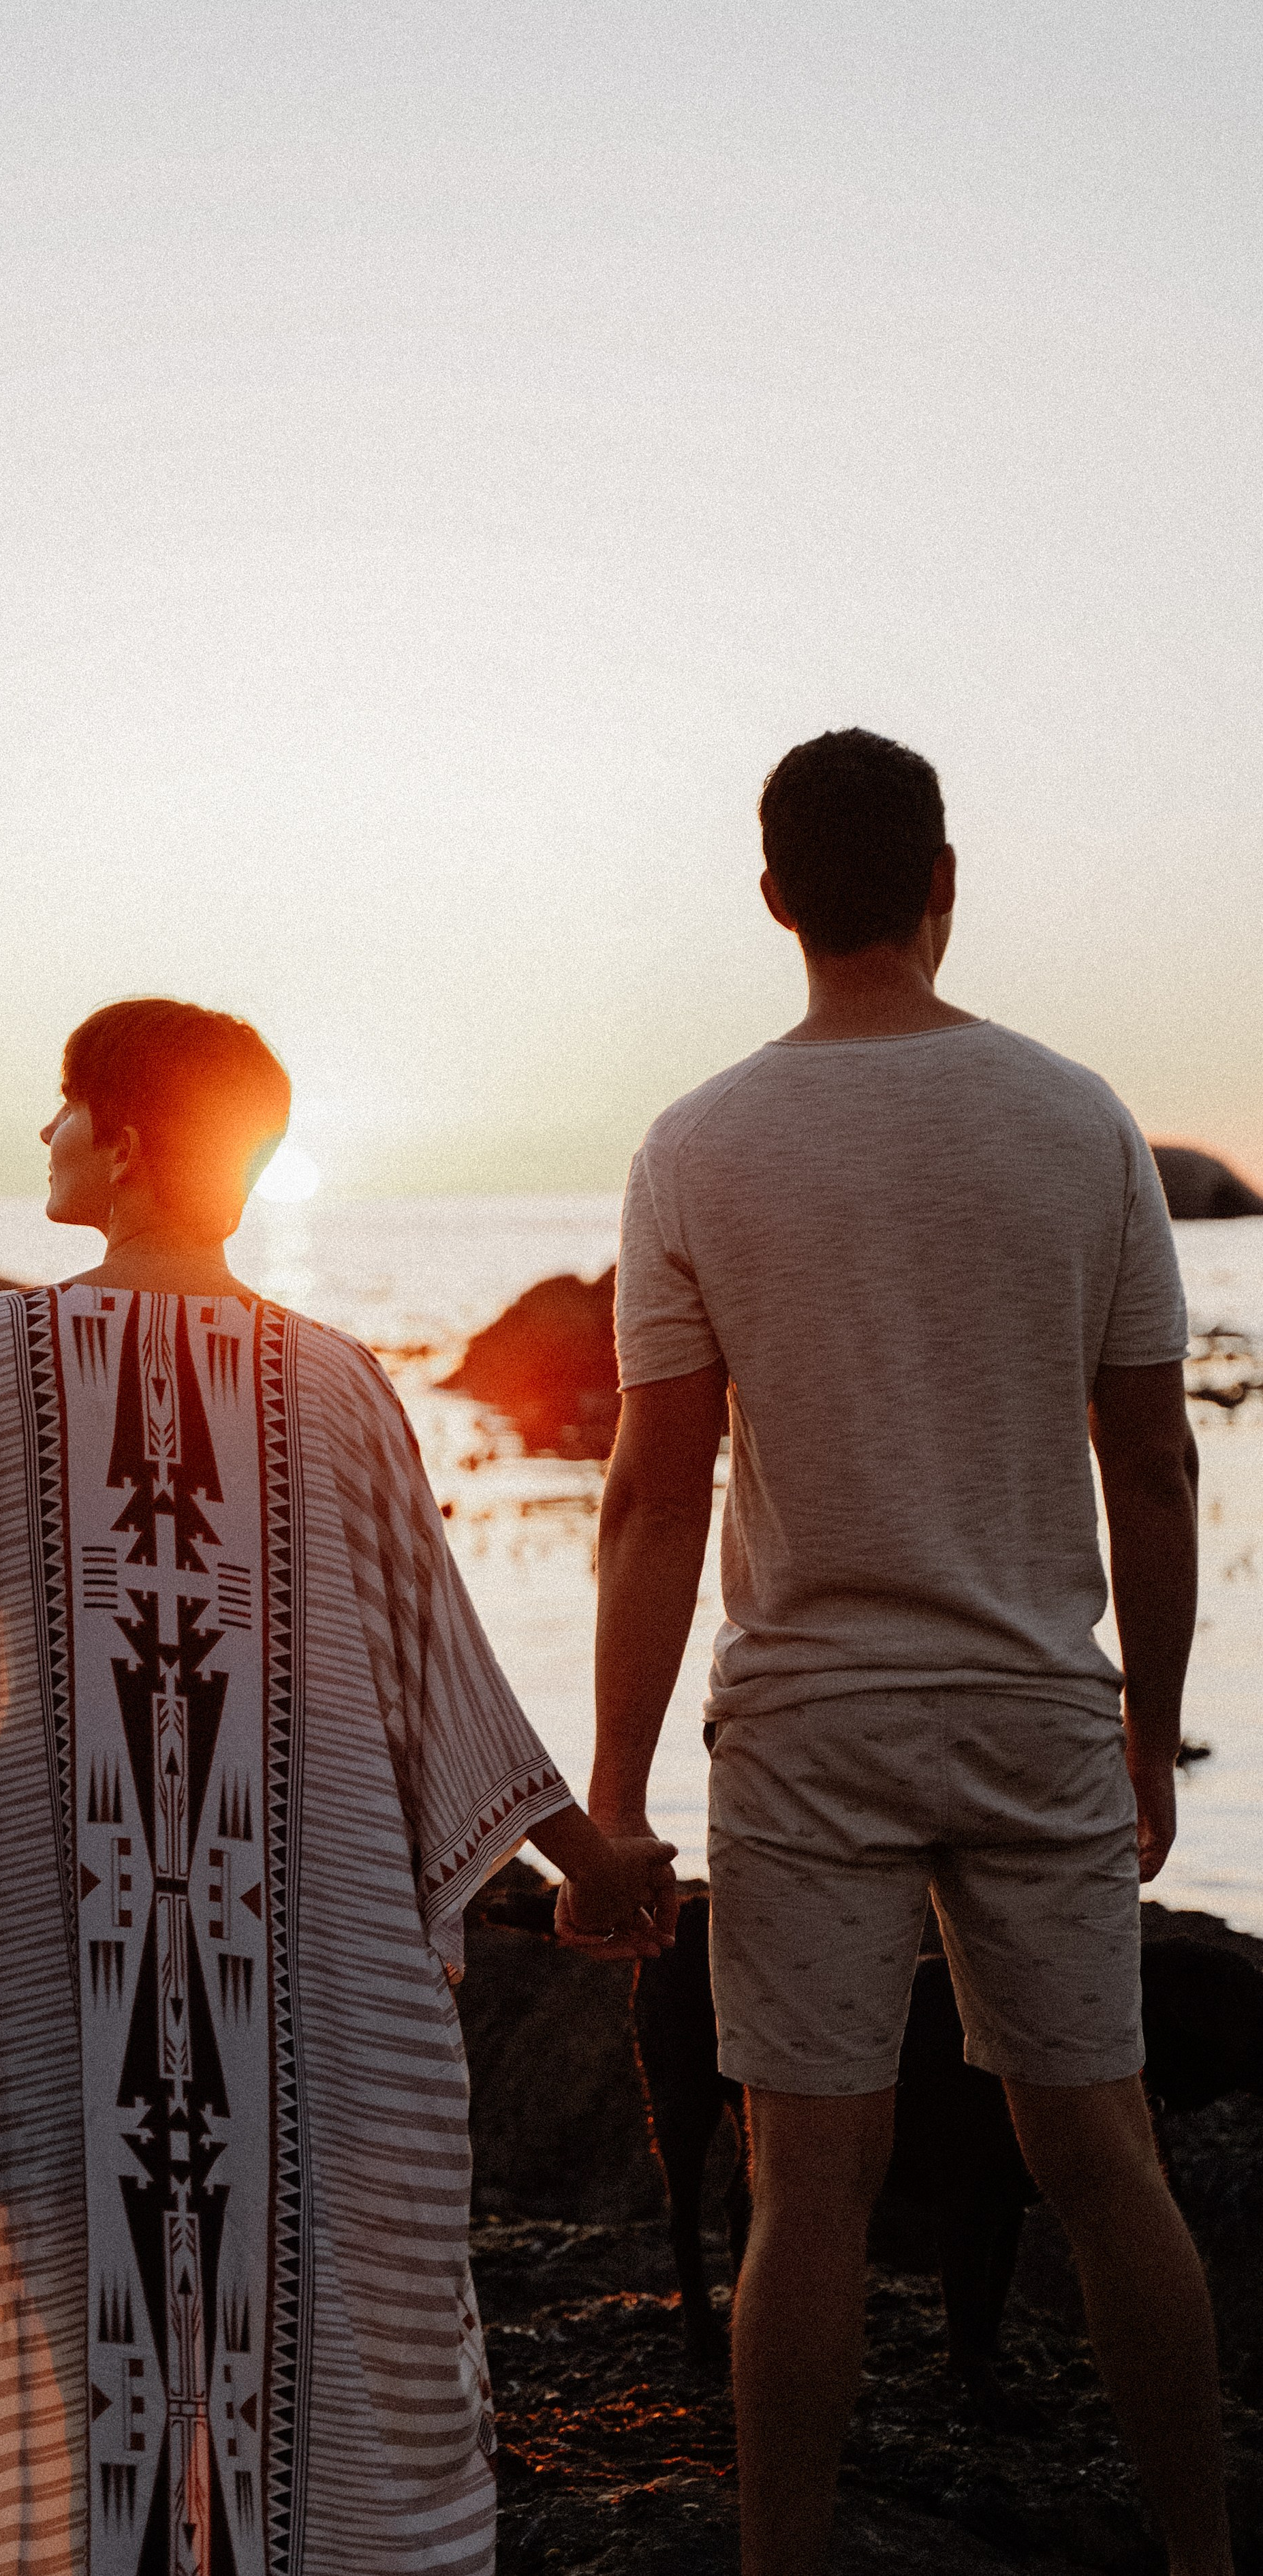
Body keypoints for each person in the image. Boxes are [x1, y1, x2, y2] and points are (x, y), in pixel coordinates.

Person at [0, 995, 674, 2576]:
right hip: (310, 2019)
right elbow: (445, 1671)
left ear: (129, 1141)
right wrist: (585, 1862)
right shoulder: (333, 1381)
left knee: (73, 2393)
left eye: (65, 1104)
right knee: (305, 2391)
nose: (45, 1135)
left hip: (50, 2001)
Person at [576, 731, 1231, 2575]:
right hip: (1033, 1706)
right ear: (947, 879)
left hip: (803, 1728)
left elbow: (651, 1493)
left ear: (774, 896)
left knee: (812, 2190)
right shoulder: (1080, 1119)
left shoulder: (695, 1145)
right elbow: (1157, 1462)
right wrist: (1153, 1733)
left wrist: (615, 1797)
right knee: (1104, 2160)